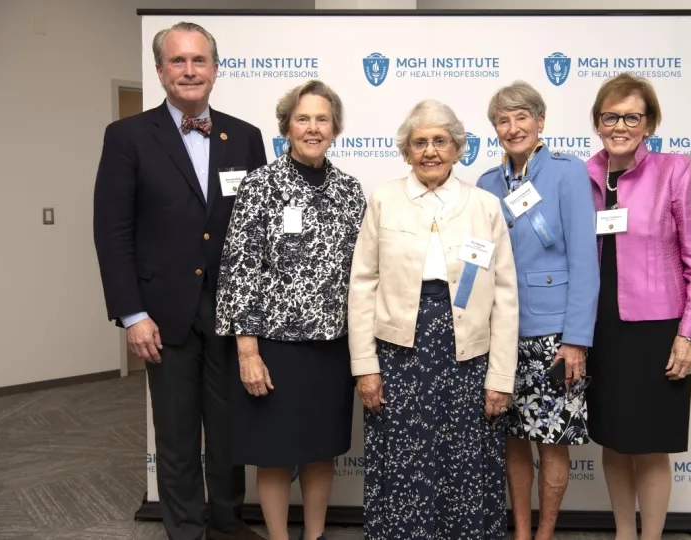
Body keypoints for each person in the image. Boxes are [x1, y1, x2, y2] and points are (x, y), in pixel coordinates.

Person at [93, 21, 266, 540]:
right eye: (178, 61)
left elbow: (255, 235)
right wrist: (132, 313)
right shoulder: (126, 136)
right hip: (160, 312)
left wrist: (254, 314)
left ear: (215, 69)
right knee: (175, 433)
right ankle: (187, 530)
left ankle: (229, 524)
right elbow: (112, 230)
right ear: (160, 70)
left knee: (230, 429)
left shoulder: (247, 137)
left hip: (230, 311)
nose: (189, 71)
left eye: (199, 61)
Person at [348, 99, 519, 540]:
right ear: (406, 150)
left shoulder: (483, 205)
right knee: (405, 455)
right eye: (419, 142)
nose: (430, 151)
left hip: (468, 351)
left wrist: (501, 375)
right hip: (399, 351)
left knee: (465, 457)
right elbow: (362, 285)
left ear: (457, 148)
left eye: (440, 141)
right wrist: (365, 367)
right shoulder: (384, 199)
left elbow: (504, 294)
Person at [215, 79, 366, 540]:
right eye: (303, 118)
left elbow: (363, 273)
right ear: (286, 127)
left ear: (335, 127)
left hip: (330, 349)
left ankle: (315, 535)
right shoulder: (261, 185)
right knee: (275, 455)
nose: (313, 127)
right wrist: (247, 352)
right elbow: (239, 270)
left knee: (322, 452)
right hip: (274, 350)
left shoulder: (349, 191)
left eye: (322, 119)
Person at [585, 73, 691, 540]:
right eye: (610, 116)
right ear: (598, 122)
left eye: (631, 116)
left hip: (658, 328)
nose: (620, 125)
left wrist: (689, 334)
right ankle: (625, 533)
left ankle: (652, 536)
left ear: (649, 123)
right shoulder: (584, 173)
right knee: (615, 439)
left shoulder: (675, 170)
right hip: (603, 326)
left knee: (650, 443)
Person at [476, 81, 600, 540]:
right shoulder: (488, 183)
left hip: (554, 336)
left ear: (540, 121)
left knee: (552, 441)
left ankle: (545, 535)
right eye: (502, 121)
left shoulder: (568, 173)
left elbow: (585, 262)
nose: (513, 128)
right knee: (511, 440)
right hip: (501, 334)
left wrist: (576, 341)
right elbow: (478, 258)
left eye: (521, 117)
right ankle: (522, 533)